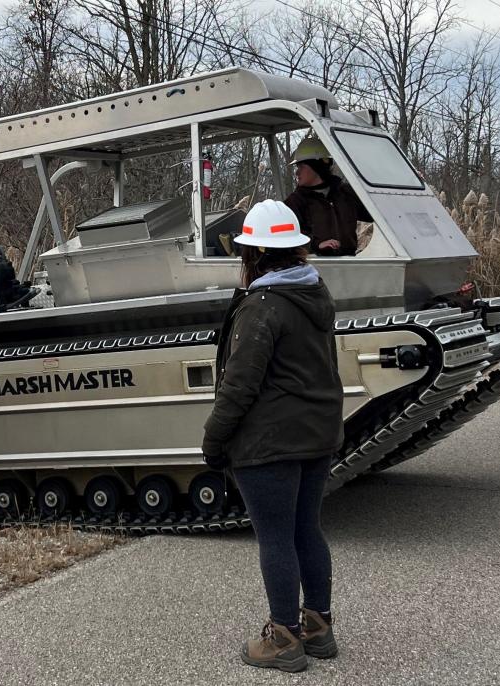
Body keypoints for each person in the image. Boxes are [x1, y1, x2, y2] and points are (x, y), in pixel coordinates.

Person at [201, 199, 344, 673]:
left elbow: (239, 385)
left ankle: (283, 637)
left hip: (269, 444)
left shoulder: (262, 306)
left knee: (275, 538)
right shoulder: (315, 293)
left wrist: (214, 441)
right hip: (316, 436)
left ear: (254, 253)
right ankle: (318, 626)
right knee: (307, 529)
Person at [283, 137, 372, 256]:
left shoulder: (346, 193)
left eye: (301, 166)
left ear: (316, 166)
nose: (297, 172)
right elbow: (286, 238)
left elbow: (374, 215)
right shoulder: (294, 202)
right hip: (315, 268)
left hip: (350, 264)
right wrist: (316, 245)